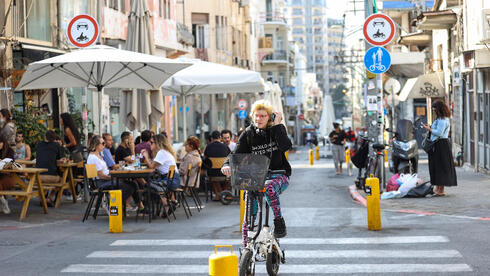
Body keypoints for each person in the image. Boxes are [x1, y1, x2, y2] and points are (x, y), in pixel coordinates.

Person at [221, 102, 292, 239]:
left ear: (269, 117)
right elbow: (235, 153)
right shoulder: (248, 134)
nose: (259, 119)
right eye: (256, 116)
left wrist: (277, 125)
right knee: (249, 193)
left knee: (268, 187)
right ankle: (248, 242)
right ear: (252, 116)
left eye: (263, 116)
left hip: (279, 175)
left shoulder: (276, 130)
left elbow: (286, 146)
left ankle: (279, 221)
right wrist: (227, 165)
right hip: (257, 176)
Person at [86, 135, 136, 208]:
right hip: (101, 182)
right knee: (129, 187)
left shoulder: (98, 156)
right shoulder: (93, 158)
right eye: (103, 143)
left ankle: (119, 205)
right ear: (96, 145)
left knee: (132, 184)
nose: (104, 145)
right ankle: (115, 205)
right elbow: (101, 176)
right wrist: (114, 178)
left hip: (105, 180)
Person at [422, 100, 457, 196]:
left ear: (439, 109)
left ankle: (441, 190)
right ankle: (438, 188)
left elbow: (439, 133)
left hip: (440, 145)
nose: (434, 111)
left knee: (440, 167)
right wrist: (430, 127)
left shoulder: (442, 120)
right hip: (439, 144)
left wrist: (429, 129)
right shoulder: (440, 119)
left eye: (435, 109)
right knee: (437, 166)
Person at [35, 130, 67, 207]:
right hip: (51, 177)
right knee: (62, 180)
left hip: (37, 177)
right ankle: (49, 198)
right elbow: (62, 159)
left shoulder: (39, 144)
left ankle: (42, 199)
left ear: (45, 136)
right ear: (54, 138)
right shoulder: (56, 145)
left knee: (44, 183)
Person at [203, 130, 231, 200]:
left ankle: (218, 194)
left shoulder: (208, 147)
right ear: (220, 138)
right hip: (224, 173)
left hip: (212, 173)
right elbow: (230, 157)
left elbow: (205, 158)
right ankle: (223, 193)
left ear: (212, 138)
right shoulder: (225, 146)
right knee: (228, 177)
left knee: (213, 175)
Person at [0, 135, 15, 213]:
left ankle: (3, 202)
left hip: (7, 175)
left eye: (0, 143)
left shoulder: (9, 151)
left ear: (3, 143)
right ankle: (3, 201)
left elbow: (11, 163)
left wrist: (2, 162)